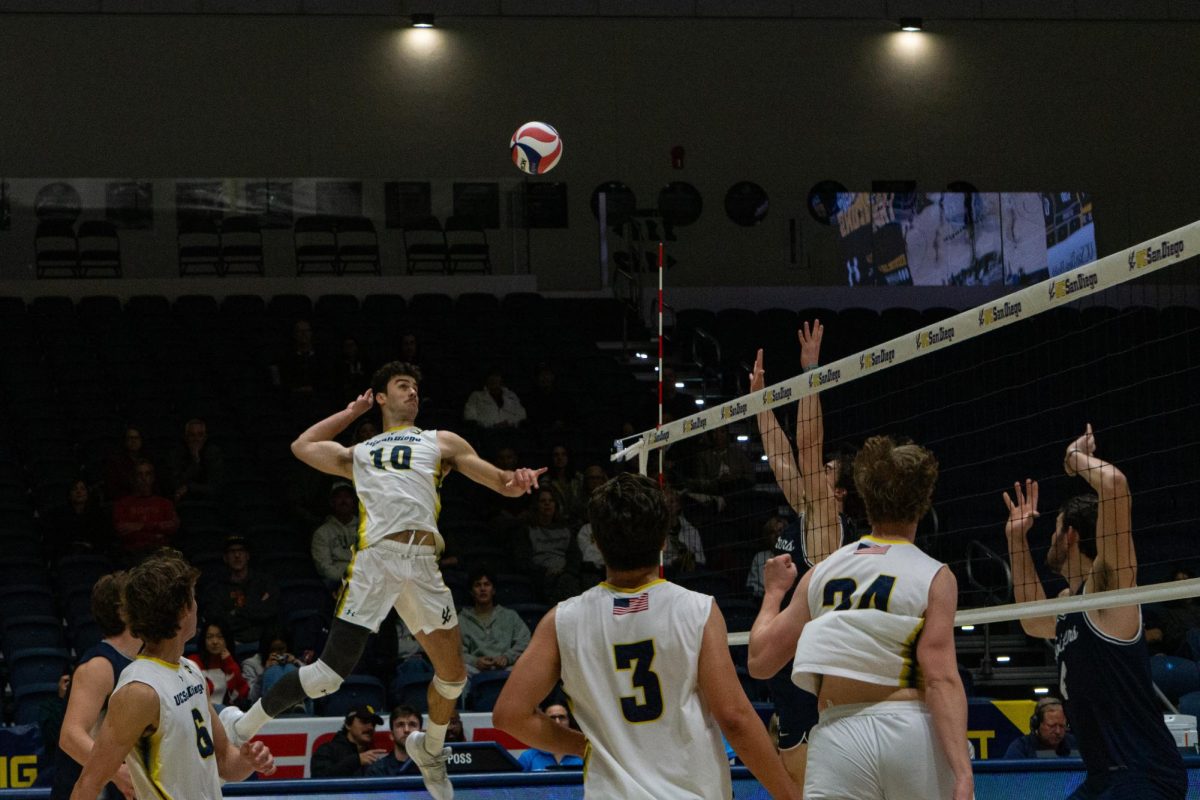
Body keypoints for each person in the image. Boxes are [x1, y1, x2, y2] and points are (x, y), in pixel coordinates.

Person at [223, 361, 545, 800]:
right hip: (377, 560)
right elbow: (302, 445)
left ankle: (429, 750)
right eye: (402, 386)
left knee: (453, 677)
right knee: (327, 676)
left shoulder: (441, 440)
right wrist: (352, 413)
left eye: (415, 386)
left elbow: (502, 484)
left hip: (424, 563)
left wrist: (519, 480)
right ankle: (241, 724)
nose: (412, 393)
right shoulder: (359, 452)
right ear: (381, 397)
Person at [493, 473, 799, 800]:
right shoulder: (697, 610)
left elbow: (509, 716)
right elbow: (734, 718)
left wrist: (584, 745)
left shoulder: (561, 620)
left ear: (595, 541)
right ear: (664, 540)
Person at [747, 435, 973, 800]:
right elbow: (941, 679)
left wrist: (773, 592)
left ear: (865, 499)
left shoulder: (822, 571)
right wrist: (963, 772)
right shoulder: (935, 575)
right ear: (922, 503)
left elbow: (759, 663)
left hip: (840, 736)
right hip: (909, 728)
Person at [1002, 424, 1187, 799]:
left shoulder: (1108, 591)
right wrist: (1015, 540)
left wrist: (1074, 458)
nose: (1050, 540)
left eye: (1054, 530)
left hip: (1145, 772)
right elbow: (1031, 619)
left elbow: (1116, 487)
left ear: (1070, 535)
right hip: (1105, 777)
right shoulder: (1072, 603)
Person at [746, 321, 860, 789]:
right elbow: (782, 456)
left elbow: (807, 450)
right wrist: (760, 401)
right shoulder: (808, 513)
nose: (815, 472)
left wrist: (811, 373)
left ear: (838, 492)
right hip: (791, 686)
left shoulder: (828, 528)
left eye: (827, 472)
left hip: (816, 688)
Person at [70, 550, 274, 800]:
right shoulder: (139, 691)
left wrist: (249, 761)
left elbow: (224, 762)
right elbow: (88, 784)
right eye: (193, 598)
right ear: (182, 611)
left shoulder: (191, 671)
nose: (198, 606)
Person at [54, 572, 140, 800]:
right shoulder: (101, 665)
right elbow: (71, 736)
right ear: (122, 611)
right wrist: (117, 772)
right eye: (138, 599)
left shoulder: (140, 662)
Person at [200, 535, 278, 645]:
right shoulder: (215, 588)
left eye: (241, 551)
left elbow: (270, 611)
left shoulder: (264, 582)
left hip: (264, 641)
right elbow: (217, 621)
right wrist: (255, 609)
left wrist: (236, 613)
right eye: (232, 552)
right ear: (225, 558)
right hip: (230, 643)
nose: (237, 555)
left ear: (247, 555)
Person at [460, 567, 531, 678]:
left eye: (487, 584)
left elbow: (524, 641)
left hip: (507, 668)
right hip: (475, 670)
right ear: (471, 592)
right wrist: (475, 661)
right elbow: (455, 651)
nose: (482, 589)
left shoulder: (510, 616)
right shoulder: (461, 619)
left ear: (493, 590)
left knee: (527, 667)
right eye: (478, 585)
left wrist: (507, 657)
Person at [519, 488, 582, 603]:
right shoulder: (527, 530)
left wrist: (567, 571)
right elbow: (523, 560)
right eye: (543, 501)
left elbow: (575, 556)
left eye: (551, 500)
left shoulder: (565, 529)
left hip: (565, 575)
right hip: (541, 578)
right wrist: (545, 572)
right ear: (536, 505)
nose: (547, 503)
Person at [111, 459, 179, 561]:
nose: (144, 478)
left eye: (147, 474)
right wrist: (157, 529)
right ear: (133, 478)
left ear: (153, 478)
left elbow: (173, 526)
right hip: (133, 554)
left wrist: (140, 526)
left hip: (161, 554)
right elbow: (122, 529)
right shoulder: (123, 504)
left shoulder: (165, 503)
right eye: (140, 474)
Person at [187, 619, 251, 709]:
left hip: (228, 712)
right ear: (203, 640)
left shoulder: (231, 661)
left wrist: (229, 663)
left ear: (227, 639)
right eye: (209, 637)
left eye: (220, 637)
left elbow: (242, 693)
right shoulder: (193, 662)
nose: (215, 642)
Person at [311, 481, 360, 591]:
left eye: (347, 497)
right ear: (332, 502)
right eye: (339, 497)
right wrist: (350, 579)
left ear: (353, 501)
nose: (343, 501)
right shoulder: (322, 533)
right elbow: (324, 568)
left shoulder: (366, 529)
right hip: (338, 582)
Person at [240, 625, 305, 707]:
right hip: (266, 707)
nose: (277, 653)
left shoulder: (293, 661)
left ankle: (295, 704)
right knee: (273, 671)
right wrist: (264, 673)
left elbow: (312, 681)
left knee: (290, 668)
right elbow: (251, 697)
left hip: (296, 707)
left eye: (281, 649)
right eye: (273, 650)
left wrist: (296, 664)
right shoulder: (251, 664)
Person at [1144, 568, 1200, 656]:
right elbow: (1172, 641)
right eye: (1179, 581)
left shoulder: (1197, 607)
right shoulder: (1167, 614)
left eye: (1186, 580)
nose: (1184, 584)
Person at [168, 418, 224, 503]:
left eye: (200, 435)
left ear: (205, 437)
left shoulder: (213, 453)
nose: (196, 439)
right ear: (186, 437)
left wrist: (189, 487)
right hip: (184, 501)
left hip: (208, 502)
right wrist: (195, 462)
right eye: (192, 435)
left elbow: (215, 487)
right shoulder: (177, 454)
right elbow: (175, 484)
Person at [1003, 697, 1079, 758]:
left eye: (1062, 726)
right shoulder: (1020, 748)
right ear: (1037, 724)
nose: (1058, 731)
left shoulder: (1076, 744)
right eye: (1051, 726)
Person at [516, 703, 583, 771]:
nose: (557, 722)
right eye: (552, 718)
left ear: (569, 721)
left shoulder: (583, 755)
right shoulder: (528, 757)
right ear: (544, 723)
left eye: (561, 717)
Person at [364, 705, 423, 776]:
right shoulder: (377, 771)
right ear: (391, 735)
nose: (406, 730)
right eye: (400, 725)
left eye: (412, 724)